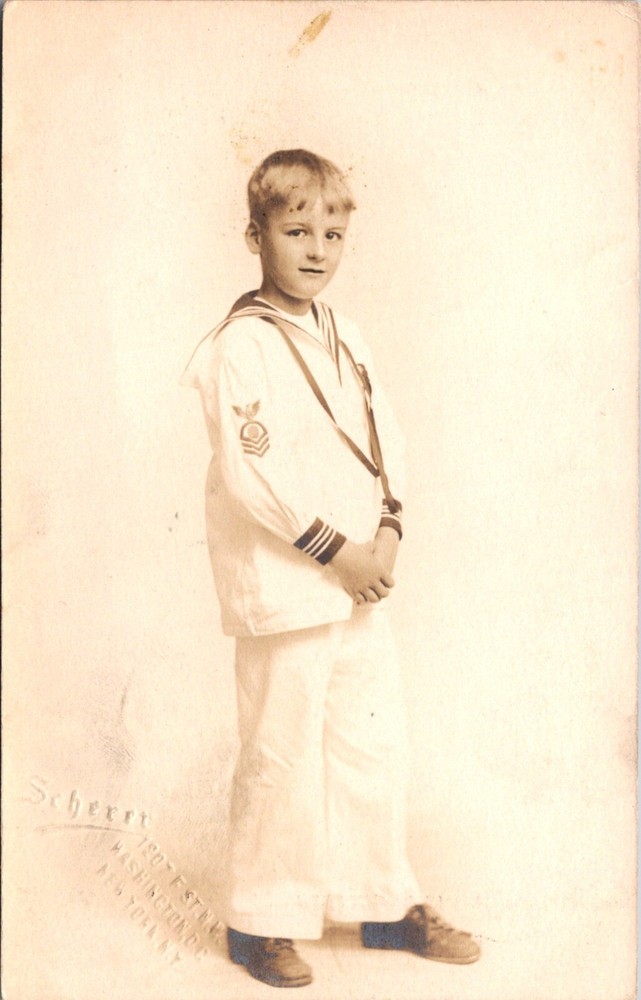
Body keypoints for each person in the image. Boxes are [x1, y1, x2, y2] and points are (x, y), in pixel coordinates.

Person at [182, 149, 480, 988]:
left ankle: (379, 902)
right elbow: (253, 475)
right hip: (287, 584)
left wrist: (386, 531)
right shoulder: (240, 346)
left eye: (332, 234)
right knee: (280, 749)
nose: (316, 249)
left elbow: (387, 440)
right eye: (296, 231)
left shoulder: (345, 333)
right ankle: (260, 919)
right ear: (255, 236)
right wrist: (336, 552)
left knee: (370, 743)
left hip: (357, 581)